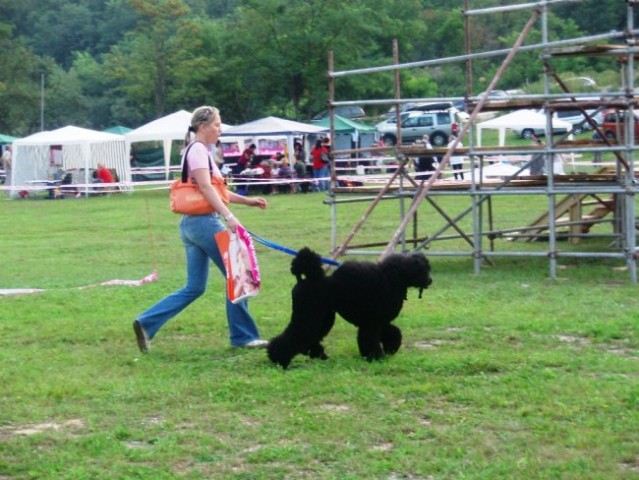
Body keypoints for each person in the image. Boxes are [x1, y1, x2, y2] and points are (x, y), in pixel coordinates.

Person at [133, 106, 269, 352]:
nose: (220, 129)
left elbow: (215, 190)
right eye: (217, 124)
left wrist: (248, 201)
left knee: (194, 287)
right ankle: (244, 336)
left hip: (191, 225)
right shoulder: (197, 150)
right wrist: (228, 216)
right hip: (205, 223)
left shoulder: (197, 151)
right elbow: (206, 189)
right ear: (203, 126)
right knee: (238, 274)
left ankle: (146, 323)